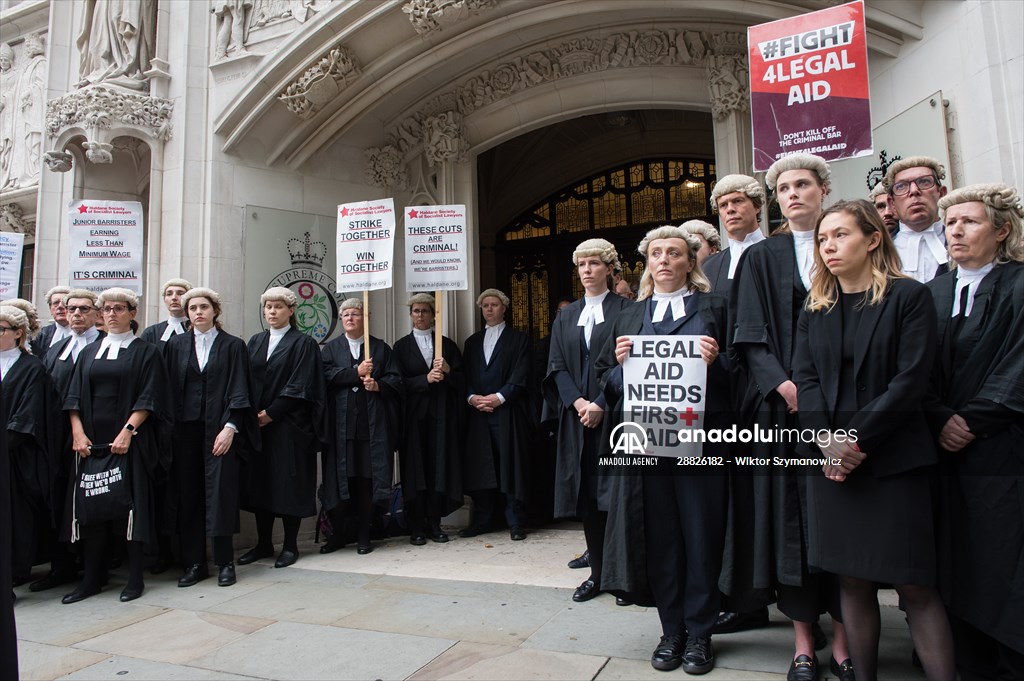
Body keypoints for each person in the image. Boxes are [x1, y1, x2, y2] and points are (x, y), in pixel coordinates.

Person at [794, 200, 952, 680]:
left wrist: (853, 443)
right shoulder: (815, 306)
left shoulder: (909, 297)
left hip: (893, 461)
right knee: (852, 580)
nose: (829, 246)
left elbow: (910, 382)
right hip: (831, 465)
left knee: (916, 587)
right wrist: (826, 440)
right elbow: (806, 380)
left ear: (873, 238)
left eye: (840, 235)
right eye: (823, 239)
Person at [732, 154, 850, 680]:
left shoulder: (847, 244)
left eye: (803, 184)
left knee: (844, 515)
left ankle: (847, 640)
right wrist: (783, 384)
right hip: (782, 413)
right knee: (790, 524)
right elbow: (749, 332)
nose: (793, 194)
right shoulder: (761, 257)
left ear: (824, 189)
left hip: (843, 408)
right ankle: (803, 639)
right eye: (783, 188)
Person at [596, 226, 728, 674]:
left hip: (700, 447)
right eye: (657, 254)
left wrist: (717, 362)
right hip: (648, 448)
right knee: (662, 539)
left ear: (691, 261)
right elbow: (611, 387)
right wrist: (619, 366)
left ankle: (701, 633)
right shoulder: (630, 317)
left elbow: (739, 375)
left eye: (675, 253)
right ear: (648, 263)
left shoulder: (715, 308)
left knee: (700, 536)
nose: (665, 260)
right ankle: (671, 630)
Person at [927, 183, 1024, 679]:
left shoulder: (1020, 284)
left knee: (1003, 557)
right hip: (941, 450)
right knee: (952, 557)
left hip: (1002, 450)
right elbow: (912, 367)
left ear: (1002, 230)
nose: (956, 231)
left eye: (970, 221)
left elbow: (1017, 362)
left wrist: (973, 418)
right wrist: (940, 416)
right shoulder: (932, 292)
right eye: (950, 223)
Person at [62, 288, 170, 604]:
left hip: (129, 443)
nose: (111, 314)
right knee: (92, 509)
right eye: (106, 309)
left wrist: (127, 431)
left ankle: (135, 578)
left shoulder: (146, 352)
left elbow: (150, 396)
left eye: (119, 308)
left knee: (129, 510)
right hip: (90, 445)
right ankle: (92, 579)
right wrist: (78, 434)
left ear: (132, 313)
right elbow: (73, 398)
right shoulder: (88, 352)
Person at [543, 238, 631, 604]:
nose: (587, 270)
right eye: (582, 265)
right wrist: (578, 402)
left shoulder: (627, 310)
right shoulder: (566, 315)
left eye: (595, 263)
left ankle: (624, 578)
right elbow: (557, 365)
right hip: (577, 419)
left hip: (614, 417)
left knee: (618, 498)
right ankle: (597, 574)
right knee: (590, 500)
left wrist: (598, 401)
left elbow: (628, 365)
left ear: (610, 268)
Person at [164, 288, 256, 588]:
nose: (198, 312)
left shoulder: (232, 346)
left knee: (221, 495)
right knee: (188, 495)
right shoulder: (175, 346)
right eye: (192, 308)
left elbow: (240, 387)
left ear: (216, 310)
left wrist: (231, 427)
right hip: (185, 432)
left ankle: (224, 561)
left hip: (220, 430)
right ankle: (194, 563)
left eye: (204, 306)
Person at [240, 287, 324, 568]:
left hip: (289, 426)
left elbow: (301, 384)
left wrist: (272, 413)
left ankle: (289, 545)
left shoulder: (304, 343)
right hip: (258, 426)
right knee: (261, 484)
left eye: (278, 307)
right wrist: (253, 415)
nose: (272, 312)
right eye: (268, 307)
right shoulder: (254, 342)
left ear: (291, 311)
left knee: (289, 485)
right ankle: (264, 544)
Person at [32, 290, 103, 593]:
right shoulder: (57, 347)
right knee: (58, 500)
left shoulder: (103, 346)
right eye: (70, 309)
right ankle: (62, 566)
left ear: (96, 314)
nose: (75, 314)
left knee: (89, 503)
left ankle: (93, 570)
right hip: (55, 438)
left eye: (83, 309)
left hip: (92, 437)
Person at [320, 298, 401, 555]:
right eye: (346, 314)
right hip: (340, 430)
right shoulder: (330, 349)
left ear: (365, 318)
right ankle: (338, 534)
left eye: (355, 314)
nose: (350, 318)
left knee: (366, 481)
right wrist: (355, 372)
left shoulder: (380, 348)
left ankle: (365, 534)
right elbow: (324, 377)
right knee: (342, 481)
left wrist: (378, 385)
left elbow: (396, 380)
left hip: (370, 429)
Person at [461, 289, 533, 541]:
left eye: (494, 305)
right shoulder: (471, 342)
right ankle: (483, 520)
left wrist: (499, 397)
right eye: (485, 306)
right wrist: (472, 398)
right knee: (482, 466)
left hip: (507, 413)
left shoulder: (519, 339)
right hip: (478, 414)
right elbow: (464, 377)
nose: (489, 309)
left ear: (504, 308)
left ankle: (515, 521)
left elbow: (521, 375)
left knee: (509, 465)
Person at [393, 293, 464, 546]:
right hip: (413, 418)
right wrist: (424, 380)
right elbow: (396, 382)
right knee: (415, 470)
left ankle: (435, 523)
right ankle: (416, 526)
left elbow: (463, 381)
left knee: (438, 468)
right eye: (416, 311)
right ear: (410, 314)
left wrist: (448, 371)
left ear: (434, 314)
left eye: (425, 311)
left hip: (441, 417)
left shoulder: (446, 344)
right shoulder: (400, 347)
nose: (420, 315)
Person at [1, 305, 53, 588]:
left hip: (15, 456)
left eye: (1, 330)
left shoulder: (32, 368)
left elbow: (27, 415)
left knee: (15, 517)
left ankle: (14, 571)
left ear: (18, 333)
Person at [883, 156, 949, 283]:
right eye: (901, 186)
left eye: (924, 182)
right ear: (892, 203)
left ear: (941, 193)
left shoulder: (961, 241)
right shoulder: (879, 251)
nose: (914, 191)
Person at [701, 175, 766, 293]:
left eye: (738, 201)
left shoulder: (780, 253)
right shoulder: (709, 266)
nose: (730, 209)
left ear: (757, 206)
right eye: (723, 205)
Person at [140, 279, 192, 349]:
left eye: (180, 294)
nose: (174, 298)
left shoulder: (198, 330)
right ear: (164, 299)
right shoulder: (151, 333)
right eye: (169, 294)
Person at [35, 286, 72, 358]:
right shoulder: (41, 335)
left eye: (65, 302)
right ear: (50, 309)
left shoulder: (83, 333)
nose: (60, 306)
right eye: (56, 303)